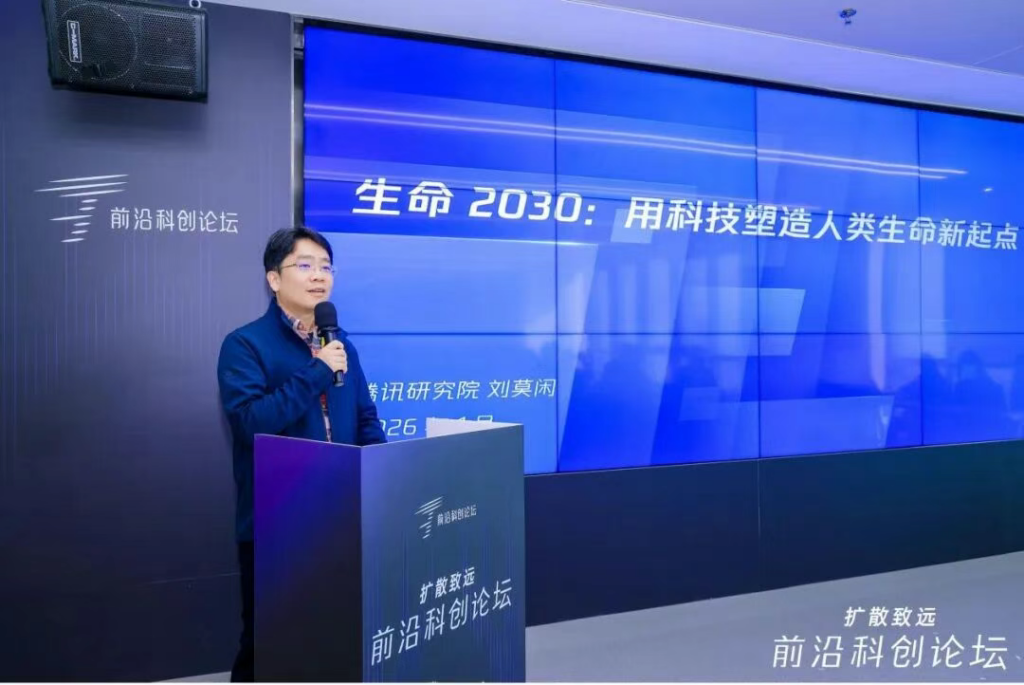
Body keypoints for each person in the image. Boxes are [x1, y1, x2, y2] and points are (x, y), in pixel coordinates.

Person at [217, 226, 386, 682]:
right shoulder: (245, 345)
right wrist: (317, 370)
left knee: (333, 636)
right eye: (305, 265)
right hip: (279, 520)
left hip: (342, 515)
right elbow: (251, 424)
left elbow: (366, 419)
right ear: (274, 279)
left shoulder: (341, 343)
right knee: (268, 644)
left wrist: (383, 473)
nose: (319, 276)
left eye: (326, 267)